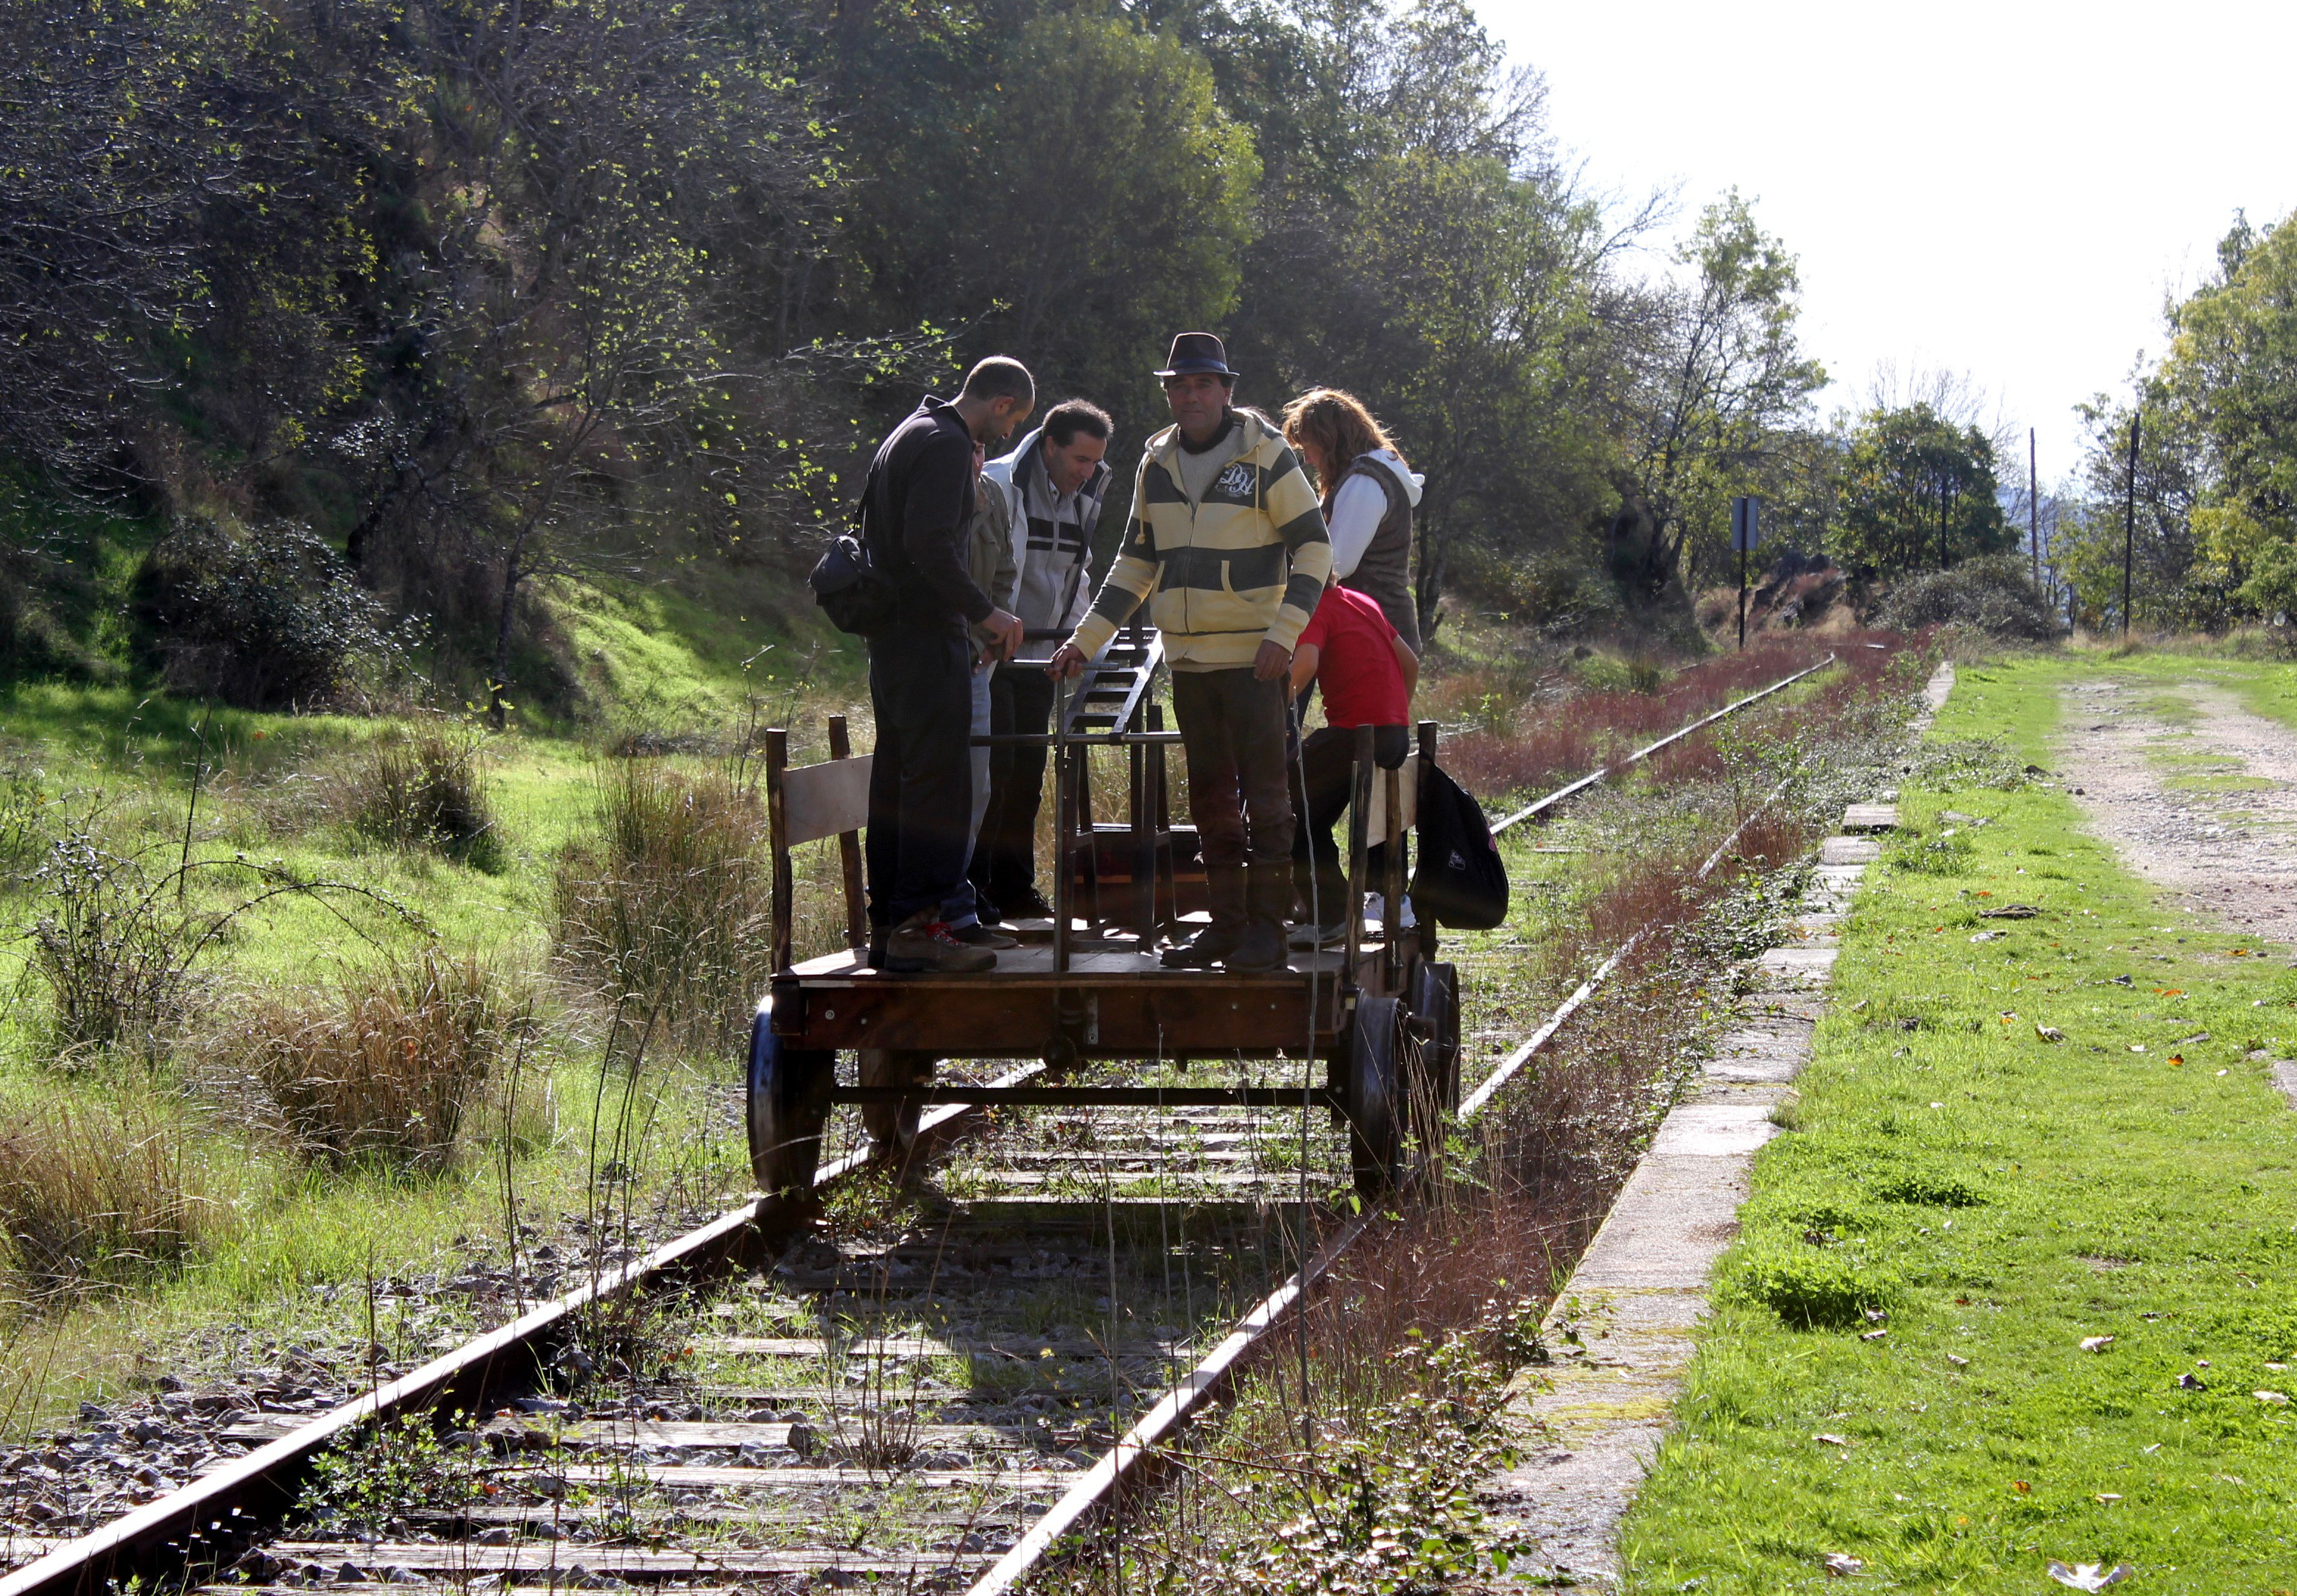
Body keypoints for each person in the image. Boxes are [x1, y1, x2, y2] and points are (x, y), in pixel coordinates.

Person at [1049, 333, 1333, 972]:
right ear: (1169, 394)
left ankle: (1268, 931)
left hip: (1256, 663)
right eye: (1180, 385)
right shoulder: (1157, 464)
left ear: (1227, 391)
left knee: (1266, 800)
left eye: (1204, 384)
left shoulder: (1268, 454)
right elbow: (1135, 563)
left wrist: (1282, 636)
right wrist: (1084, 641)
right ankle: (1227, 926)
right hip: (1189, 664)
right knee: (1209, 801)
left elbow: (1316, 550)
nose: (1191, 395)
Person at [861, 356, 1030, 973]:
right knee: (938, 785)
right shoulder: (947, 444)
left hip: (893, 640)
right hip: (925, 639)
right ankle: (918, 928)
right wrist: (988, 614)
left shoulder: (910, 430)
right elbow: (928, 545)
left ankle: (891, 926)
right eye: (1014, 421)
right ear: (1003, 404)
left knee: (900, 782)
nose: (1008, 436)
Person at [970, 400, 1115, 922]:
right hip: (993, 655)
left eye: (1095, 462)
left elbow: (1078, 574)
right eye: (1079, 459)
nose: (1087, 471)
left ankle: (1014, 887)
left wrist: (1080, 641)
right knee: (996, 770)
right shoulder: (1001, 485)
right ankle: (976, 889)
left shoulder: (1082, 500)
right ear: (1050, 446)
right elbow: (987, 564)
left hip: (1042, 657)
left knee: (1028, 775)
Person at [1284, 582, 1419, 948]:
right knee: (1310, 804)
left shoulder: (1312, 606)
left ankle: (1331, 916)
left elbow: (1306, 663)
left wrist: (1268, 708)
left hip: (1355, 736)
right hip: (1393, 734)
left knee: (1287, 810)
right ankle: (1386, 898)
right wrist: (1395, 717)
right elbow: (1411, 663)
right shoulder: (1362, 601)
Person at [939, 439, 1022, 947]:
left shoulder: (991, 491)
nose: (972, 458)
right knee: (936, 789)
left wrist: (994, 638)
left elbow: (1006, 574)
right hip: (930, 665)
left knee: (977, 788)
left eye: (978, 448)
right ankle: (936, 913)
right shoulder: (931, 490)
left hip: (974, 664)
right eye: (963, 448)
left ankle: (957, 906)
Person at [1279, 388, 1424, 652]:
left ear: (1330, 440)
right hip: (1374, 629)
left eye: (1308, 446)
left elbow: (1334, 563)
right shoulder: (1367, 475)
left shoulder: (1364, 482)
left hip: (1379, 635)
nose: (1308, 458)